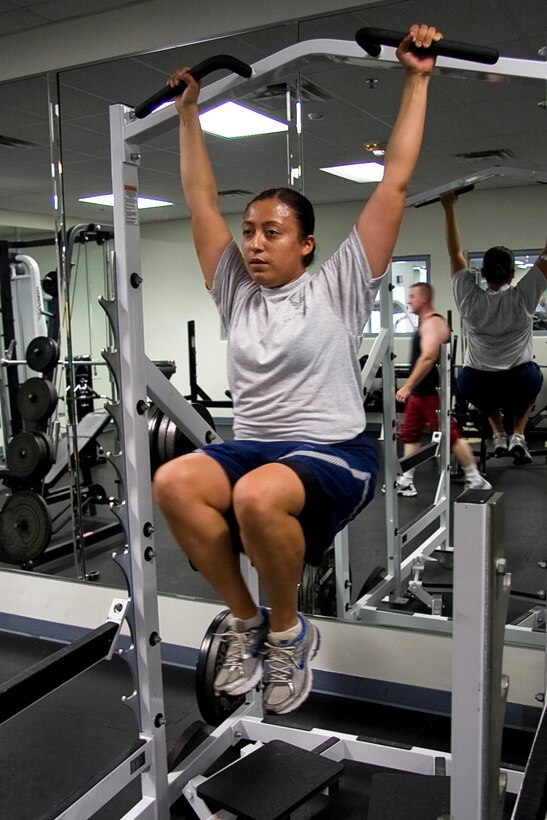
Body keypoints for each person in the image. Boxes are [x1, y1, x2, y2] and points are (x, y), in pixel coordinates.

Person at [153, 24, 444, 716]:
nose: (253, 243)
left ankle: (287, 632)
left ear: (306, 243)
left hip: (333, 451)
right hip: (253, 443)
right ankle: (246, 620)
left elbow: (395, 184)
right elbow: (199, 201)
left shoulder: (339, 283)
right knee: (172, 479)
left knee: (255, 496)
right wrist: (188, 116)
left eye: (271, 232)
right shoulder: (233, 288)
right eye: (249, 230)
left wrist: (417, 80)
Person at [440, 192, 547, 464]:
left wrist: (449, 207)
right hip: (518, 381)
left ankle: (499, 433)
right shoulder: (523, 297)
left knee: (472, 383)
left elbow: (454, 252)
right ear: (513, 274)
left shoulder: (469, 297)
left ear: (482, 273)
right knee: (534, 378)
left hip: (478, 382)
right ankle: (518, 435)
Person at [392, 283, 491, 496]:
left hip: (432, 393)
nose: (409, 300)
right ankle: (407, 480)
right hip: (419, 393)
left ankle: (475, 479)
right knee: (410, 434)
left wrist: (407, 386)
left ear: (425, 298)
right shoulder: (424, 323)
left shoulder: (434, 323)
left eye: (412, 296)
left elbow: (428, 357)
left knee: (451, 435)